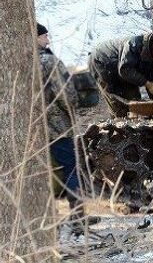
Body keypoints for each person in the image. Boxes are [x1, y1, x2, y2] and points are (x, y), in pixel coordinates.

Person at [36, 23, 98, 226]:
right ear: (36, 38)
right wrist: (74, 105)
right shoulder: (48, 61)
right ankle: (79, 218)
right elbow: (65, 93)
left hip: (34, 129)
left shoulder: (21, 60)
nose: (48, 40)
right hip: (57, 128)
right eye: (45, 36)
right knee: (71, 169)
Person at [88, 32, 153, 117]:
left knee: (134, 100)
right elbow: (124, 70)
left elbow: (151, 77)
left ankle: (133, 120)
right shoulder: (133, 44)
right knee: (118, 101)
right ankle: (119, 123)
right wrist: (147, 83)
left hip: (122, 66)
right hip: (102, 61)